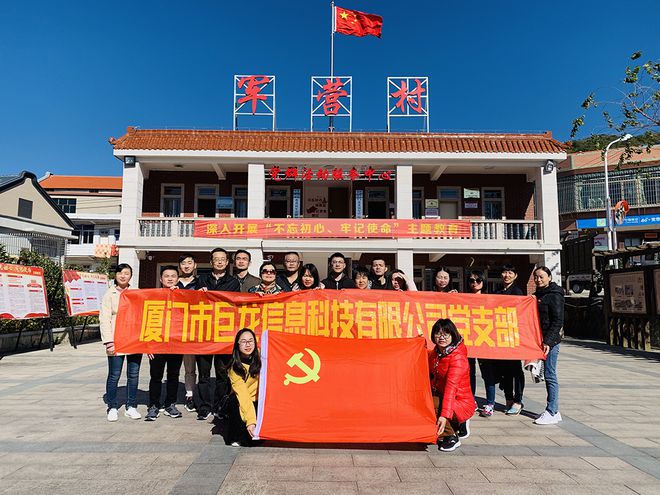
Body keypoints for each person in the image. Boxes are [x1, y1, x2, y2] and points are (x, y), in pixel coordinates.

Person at [196, 248, 241, 421]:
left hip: (224, 334)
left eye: (223, 259)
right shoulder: (201, 280)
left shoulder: (233, 282)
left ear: (227, 262)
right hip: (205, 333)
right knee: (204, 374)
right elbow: (192, 302)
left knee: (222, 374)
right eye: (216, 259)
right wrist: (199, 295)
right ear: (211, 262)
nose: (220, 262)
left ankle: (220, 406)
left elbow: (234, 303)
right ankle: (204, 407)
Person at [100, 263, 142, 422]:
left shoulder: (136, 292)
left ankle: (131, 406)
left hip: (134, 339)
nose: (123, 276)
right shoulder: (109, 294)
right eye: (120, 273)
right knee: (114, 375)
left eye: (126, 273)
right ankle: (112, 406)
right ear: (115, 275)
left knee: (133, 374)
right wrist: (108, 342)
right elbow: (104, 319)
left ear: (131, 276)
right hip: (116, 340)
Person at [429, 318, 476, 452]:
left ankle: (450, 436)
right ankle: (457, 423)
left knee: (430, 404)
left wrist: (443, 416)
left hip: (460, 402)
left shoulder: (458, 359)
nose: (442, 337)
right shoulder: (437, 352)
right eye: (438, 333)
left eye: (446, 334)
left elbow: (451, 390)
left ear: (453, 335)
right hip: (443, 396)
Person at [145, 265, 184, 421]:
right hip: (157, 343)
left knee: (173, 376)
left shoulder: (183, 296)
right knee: (156, 376)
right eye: (166, 276)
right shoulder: (153, 296)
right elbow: (146, 320)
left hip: (176, 343)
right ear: (161, 279)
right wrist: (148, 345)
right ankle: (153, 405)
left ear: (178, 279)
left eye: (173, 276)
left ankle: (170, 404)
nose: (170, 279)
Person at [533, 266, 564, 425]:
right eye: (536, 277)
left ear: (549, 277)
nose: (538, 280)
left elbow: (558, 321)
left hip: (550, 342)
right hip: (540, 340)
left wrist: (548, 342)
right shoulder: (537, 295)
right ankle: (554, 411)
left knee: (550, 374)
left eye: (541, 277)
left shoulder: (555, 295)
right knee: (545, 374)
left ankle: (551, 411)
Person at [466, 270, 498, 417]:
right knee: (469, 373)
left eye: (478, 280)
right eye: (472, 280)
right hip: (468, 340)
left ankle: (490, 403)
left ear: (483, 282)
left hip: (484, 340)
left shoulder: (489, 299)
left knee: (488, 373)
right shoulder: (463, 298)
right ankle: (471, 400)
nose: (475, 283)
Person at [496, 264, 526, 415]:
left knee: (515, 370)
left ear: (515, 275)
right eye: (504, 272)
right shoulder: (498, 291)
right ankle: (508, 398)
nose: (506, 275)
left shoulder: (517, 292)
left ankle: (518, 400)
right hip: (501, 336)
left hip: (513, 336)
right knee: (504, 370)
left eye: (510, 272)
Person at [226, 328, 261, 447]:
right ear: (238, 344)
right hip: (242, 401)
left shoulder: (262, 358)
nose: (248, 345)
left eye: (251, 341)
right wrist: (251, 421)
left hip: (258, 400)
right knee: (234, 402)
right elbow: (243, 396)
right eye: (244, 341)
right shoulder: (234, 367)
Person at [176, 253, 199, 413]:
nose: (186, 265)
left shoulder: (201, 282)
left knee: (197, 366)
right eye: (184, 263)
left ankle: (195, 395)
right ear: (180, 266)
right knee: (182, 366)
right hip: (178, 329)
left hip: (197, 329)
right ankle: (186, 395)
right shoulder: (174, 283)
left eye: (190, 262)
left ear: (195, 265)